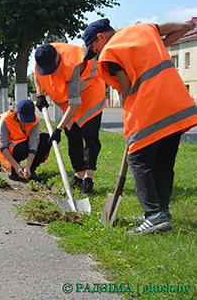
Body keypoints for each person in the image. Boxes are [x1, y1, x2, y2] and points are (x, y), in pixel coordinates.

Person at [83, 18, 197, 234]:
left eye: (94, 49)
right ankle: (161, 212)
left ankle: (154, 215)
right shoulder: (144, 30)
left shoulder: (111, 51)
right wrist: (171, 38)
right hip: (176, 103)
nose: (97, 54)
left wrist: (129, 121)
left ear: (101, 37)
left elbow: (125, 91)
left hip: (150, 108)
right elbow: (181, 28)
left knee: (138, 159)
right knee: (163, 162)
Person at [34, 42, 105, 196]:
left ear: (57, 59)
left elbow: (74, 103)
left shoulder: (72, 66)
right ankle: (78, 176)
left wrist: (58, 129)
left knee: (89, 136)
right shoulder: (42, 55)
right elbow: (37, 74)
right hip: (71, 101)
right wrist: (39, 94)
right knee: (73, 137)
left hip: (90, 96)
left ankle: (88, 180)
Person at [0, 100, 51, 182]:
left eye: (29, 118)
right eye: (24, 117)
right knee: (22, 149)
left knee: (46, 139)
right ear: (17, 113)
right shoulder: (6, 119)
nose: (27, 121)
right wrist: (16, 166)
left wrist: (28, 166)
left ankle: (31, 170)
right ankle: (13, 169)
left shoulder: (35, 120)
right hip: (9, 149)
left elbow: (33, 143)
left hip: (24, 142)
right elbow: (3, 146)